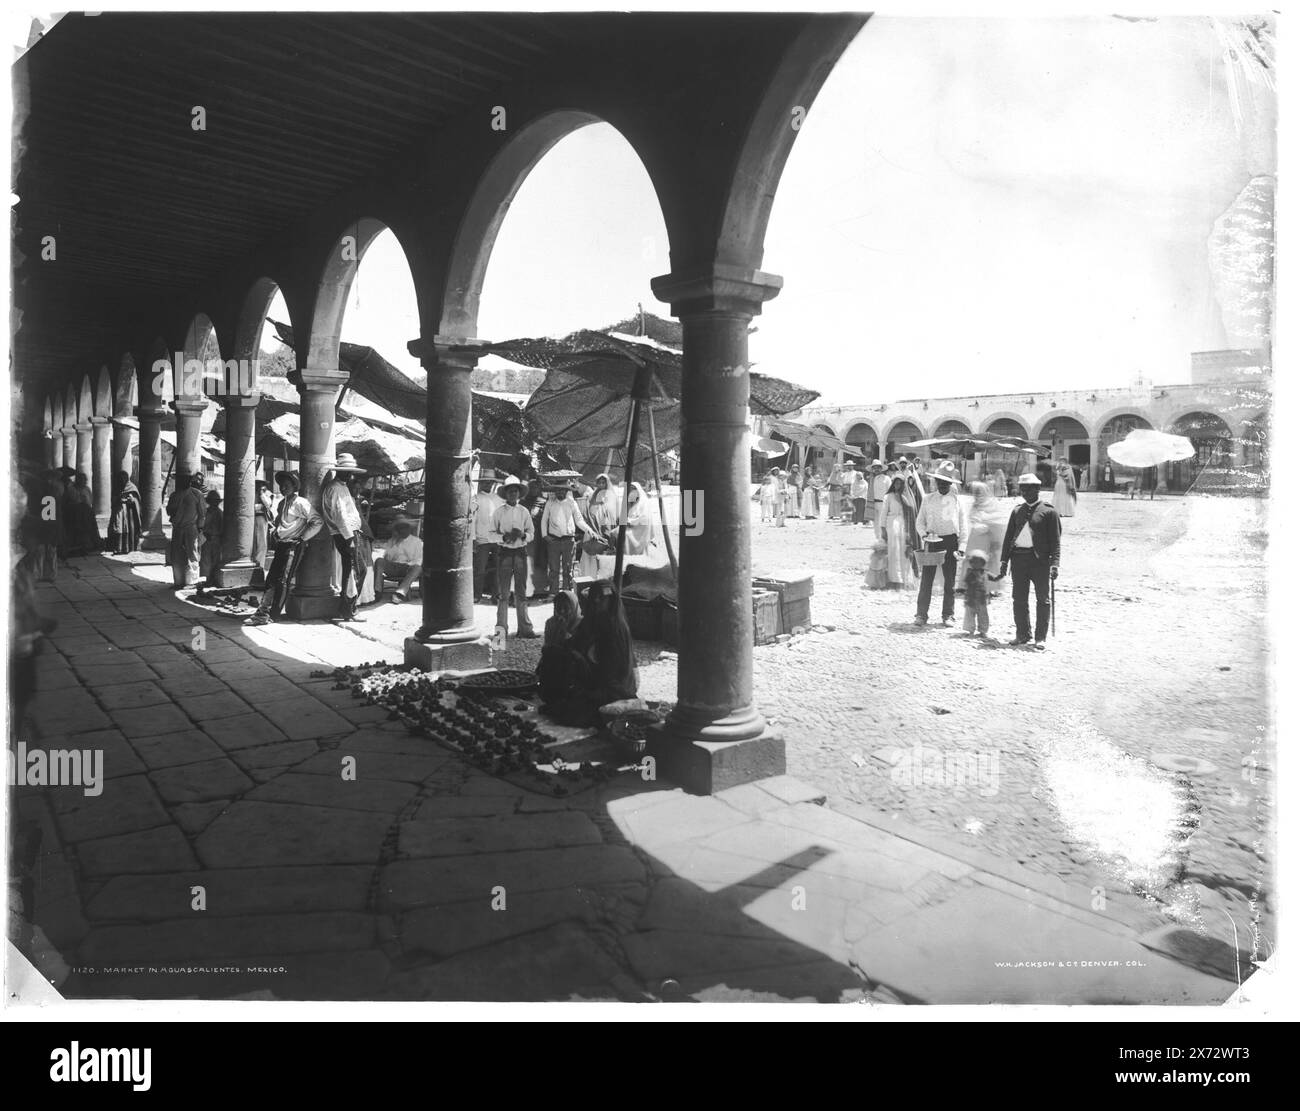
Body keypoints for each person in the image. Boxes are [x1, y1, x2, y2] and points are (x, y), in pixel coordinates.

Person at [244, 471, 322, 626]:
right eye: (281, 485)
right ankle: (263, 611)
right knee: (271, 579)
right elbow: (279, 522)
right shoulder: (282, 503)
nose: (283, 488)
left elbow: (317, 521)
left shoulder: (301, 503)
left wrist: (302, 538)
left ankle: (273, 614)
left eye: (287, 485)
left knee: (283, 580)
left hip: (293, 546)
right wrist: (275, 532)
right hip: (282, 545)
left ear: (294, 486)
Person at [997, 473, 1061, 649]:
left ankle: (1040, 638)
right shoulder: (1017, 511)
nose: (1025, 492)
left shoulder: (1049, 512)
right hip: (1018, 560)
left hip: (1040, 562)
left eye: (1030, 488)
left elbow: (1056, 541)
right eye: (1023, 489)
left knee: (1043, 599)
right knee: (1019, 599)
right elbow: (1008, 537)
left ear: (1038, 489)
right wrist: (1004, 561)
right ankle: (1022, 634)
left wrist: (1055, 564)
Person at [914, 460, 967, 627]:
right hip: (931, 542)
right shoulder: (928, 499)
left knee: (950, 581)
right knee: (926, 580)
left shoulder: (958, 501)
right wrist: (924, 536)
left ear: (951, 484)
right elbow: (919, 522)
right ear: (936, 482)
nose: (943, 485)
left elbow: (964, 526)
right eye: (940, 482)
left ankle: (948, 615)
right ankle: (921, 614)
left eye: (946, 483)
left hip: (951, 541)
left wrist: (962, 548)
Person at [320, 453, 369, 623]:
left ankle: (346, 608)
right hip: (345, 534)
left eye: (350, 472)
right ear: (339, 471)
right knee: (357, 571)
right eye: (346, 471)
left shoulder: (342, 487)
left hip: (348, 532)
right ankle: (349, 609)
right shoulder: (336, 488)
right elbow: (340, 516)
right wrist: (349, 538)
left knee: (353, 569)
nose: (349, 474)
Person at [491, 475, 537, 639]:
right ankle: (500, 634)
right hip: (504, 554)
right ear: (505, 493)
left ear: (519, 493)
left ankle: (525, 630)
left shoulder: (524, 512)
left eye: (515, 491)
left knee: (521, 591)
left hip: (519, 553)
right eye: (510, 491)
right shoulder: (498, 512)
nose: (513, 494)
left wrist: (523, 536)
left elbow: (532, 533)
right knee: (503, 594)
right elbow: (490, 535)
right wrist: (503, 538)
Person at [540, 480, 594, 593]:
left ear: (566, 491)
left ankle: (566, 591)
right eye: (558, 490)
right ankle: (553, 592)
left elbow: (579, 520)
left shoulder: (571, 503)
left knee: (568, 568)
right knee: (554, 568)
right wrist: (545, 535)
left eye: (562, 490)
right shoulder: (550, 503)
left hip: (568, 540)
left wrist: (590, 531)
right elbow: (544, 520)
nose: (560, 492)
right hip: (553, 539)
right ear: (555, 491)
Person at [536, 589, 585, 711]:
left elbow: (579, 654)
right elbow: (547, 648)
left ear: (573, 607)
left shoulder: (582, 625)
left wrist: (565, 635)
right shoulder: (551, 623)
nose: (561, 612)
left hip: (575, 667)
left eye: (566, 608)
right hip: (555, 664)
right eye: (558, 608)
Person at [958, 481, 1006, 597]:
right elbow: (971, 518)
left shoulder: (992, 504)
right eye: (975, 493)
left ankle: (990, 588)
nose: (977, 495)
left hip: (987, 540)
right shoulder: (975, 504)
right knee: (970, 561)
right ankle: (967, 585)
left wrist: (985, 522)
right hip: (975, 539)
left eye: (979, 492)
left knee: (988, 563)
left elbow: (998, 521)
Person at [166, 473, 205, 587]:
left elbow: (202, 513)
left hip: (191, 527)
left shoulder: (197, 494)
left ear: (189, 481)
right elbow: (169, 511)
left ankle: (192, 581)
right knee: (177, 555)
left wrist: (200, 527)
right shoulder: (174, 495)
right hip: (177, 528)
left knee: (192, 553)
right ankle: (178, 581)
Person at [882, 476, 918, 589]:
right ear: (893, 484)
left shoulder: (907, 497)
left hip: (904, 526)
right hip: (891, 524)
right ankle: (893, 579)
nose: (898, 486)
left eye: (900, 483)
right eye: (896, 483)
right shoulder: (888, 497)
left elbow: (912, 513)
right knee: (893, 551)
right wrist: (883, 528)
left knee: (904, 551)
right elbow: (883, 513)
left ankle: (905, 579)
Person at [472, 477, 503, 600]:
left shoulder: (498, 498)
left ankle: (496, 595)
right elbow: (473, 519)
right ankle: (477, 595)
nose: (487, 485)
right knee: (480, 568)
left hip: (496, 538)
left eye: (490, 482)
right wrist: (473, 538)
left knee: (497, 567)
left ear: (493, 483)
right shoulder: (476, 498)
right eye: (485, 482)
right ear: (481, 484)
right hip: (482, 538)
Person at [64, 472, 102, 556]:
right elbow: (71, 499)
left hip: (87, 512)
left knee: (88, 529)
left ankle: (88, 546)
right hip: (76, 512)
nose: (83, 481)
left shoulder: (87, 489)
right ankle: (76, 548)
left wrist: (85, 501)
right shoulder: (72, 489)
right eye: (81, 479)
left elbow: (90, 500)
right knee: (77, 530)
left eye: (84, 480)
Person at [106, 471, 142, 555]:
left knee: (127, 528)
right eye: (120, 479)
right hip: (118, 511)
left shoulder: (132, 487)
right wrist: (118, 499)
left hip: (129, 513)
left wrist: (132, 500)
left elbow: (137, 501)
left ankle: (128, 547)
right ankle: (117, 547)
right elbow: (113, 499)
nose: (122, 481)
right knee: (117, 527)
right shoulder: (117, 487)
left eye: (123, 478)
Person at [962, 549, 992, 639]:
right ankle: (971, 630)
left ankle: (983, 631)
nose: (975, 564)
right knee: (970, 615)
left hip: (982, 598)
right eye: (973, 562)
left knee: (983, 615)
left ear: (983, 563)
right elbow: (966, 583)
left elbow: (994, 578)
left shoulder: (985, 573)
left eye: (978, 562)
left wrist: (1000, 576)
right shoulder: (969, 572)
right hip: (971, 598)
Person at [622, 481, 656, 557]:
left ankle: (629, 553)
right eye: (630, 489)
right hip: (633, 526)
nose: (632, 491)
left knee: (624, 534)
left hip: (641, 529)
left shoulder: (644, 502)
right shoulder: (632, 501)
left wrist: (630, 521)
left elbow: (644, 518)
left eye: (634, 489)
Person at [199, 489, 224, 583]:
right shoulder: (206, 512)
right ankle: (208, 578)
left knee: (215, 560)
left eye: (216, 501)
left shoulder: (220, 513)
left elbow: (222, 527)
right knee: (206, 560)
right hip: (207, 539)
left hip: (216, 539)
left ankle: (213, 578)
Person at [251, 479, 272, 579]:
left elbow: (268, 505)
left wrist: (262, 494)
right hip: (251, 519)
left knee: (262, 544)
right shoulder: (250, 493)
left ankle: (260, 567)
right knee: (253, 544)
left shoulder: (265, 494)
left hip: (261, 519)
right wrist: (259, 507)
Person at [868, 460, 890, 537]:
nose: (876, 469)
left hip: (883, 503)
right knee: (875, 522)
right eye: (874, 468)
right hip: (873, 503)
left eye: (878, 468)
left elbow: (890, 491)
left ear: (881, 469)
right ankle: (878, 538)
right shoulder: (871, 479)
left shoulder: (886, 478)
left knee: (883, 522)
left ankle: (884, 538)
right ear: (872, 469)